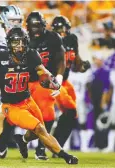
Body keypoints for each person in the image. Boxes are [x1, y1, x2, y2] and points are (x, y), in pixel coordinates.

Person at [0, 27, 78, 165]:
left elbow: (43, 71)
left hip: (28, 100)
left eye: (22, 42)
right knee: (40, 129)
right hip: (11, 107)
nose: (19, 46)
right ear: (9, 43)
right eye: (15, 43)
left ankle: (22, 140)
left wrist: (53, 82)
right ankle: (66, 156)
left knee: (39, 132)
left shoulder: (32, 55)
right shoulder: (1, 58)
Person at [0, 11, 65, 160]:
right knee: (10, 118)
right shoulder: (21, 39)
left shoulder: (53, 37)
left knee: (47, 116)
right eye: (32, 26)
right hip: (23, 81)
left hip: (42, 81)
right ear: (27, 26)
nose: (35, 30)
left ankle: (40, 148)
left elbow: (61, 58)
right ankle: (3, 142)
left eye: (38, 26)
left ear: (43, 24)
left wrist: (57, 79)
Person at [0, 5, 24, 158]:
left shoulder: (19, 33)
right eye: (13, 20)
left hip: (9, 76)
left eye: (18, 20)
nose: (16, 23)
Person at [51, 15, 91, 156]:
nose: (62, 32)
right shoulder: (50, 41)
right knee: (49, 115)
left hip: (65, 81)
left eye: (64, 29)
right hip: (52, 81)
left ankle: (56, 146)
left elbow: (76, 63)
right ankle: (49, 146)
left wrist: (83, 66)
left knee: (71, 114)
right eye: (59, 30)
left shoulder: (72, 39)